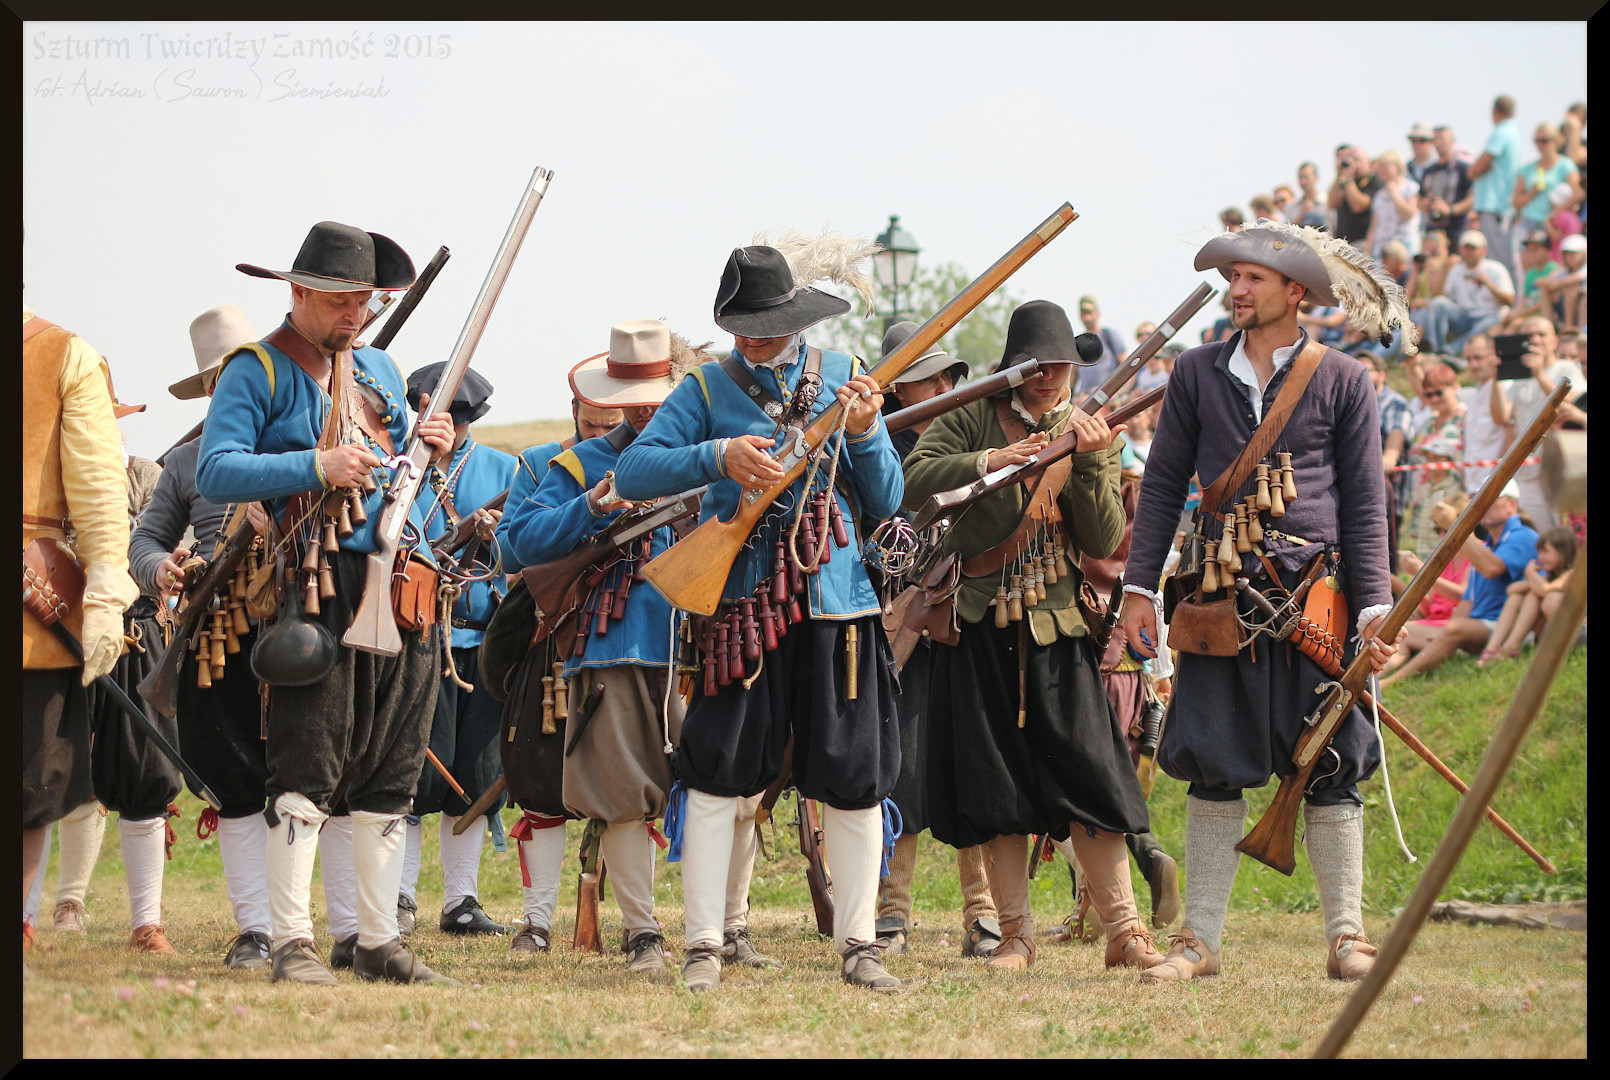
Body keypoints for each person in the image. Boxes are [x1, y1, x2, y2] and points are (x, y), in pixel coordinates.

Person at [1119, 219, 1408, 983]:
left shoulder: (1343, 378)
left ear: (1295, 291)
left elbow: (1366, 502)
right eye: (1234, 276)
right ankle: (1199, 940)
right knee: (1213, 762)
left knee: (1330, 760)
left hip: (1319, 602)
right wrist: (1140, 591)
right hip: (1219, 596)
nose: (1237, 289)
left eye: (1253, 277)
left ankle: (1346, 937)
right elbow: (1162, 488)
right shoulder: (1195, 373)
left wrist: (1374, 607)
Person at [613, 240, 906, 993]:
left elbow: (887, 498)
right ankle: (704, 944)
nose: (750, 341)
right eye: (739, 329)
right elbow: (635, 471)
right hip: (743, 605)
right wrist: (717, 456)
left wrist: (867, 431)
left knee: (853, 775)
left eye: (763, 328)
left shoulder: (845, 376)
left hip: (838, 602)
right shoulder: (707, 388)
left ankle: (860, 942)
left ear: (795, 318)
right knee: (719, 771)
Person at [196, 220, 458, 986]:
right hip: (320, 585)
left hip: (402, 587)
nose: (356, 313)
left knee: (389, 775)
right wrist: (316, 465)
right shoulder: (258, 369)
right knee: (305, 769)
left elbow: (398, 474)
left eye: (365, 300)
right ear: (299, 291)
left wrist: (429, 446)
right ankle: (292, 943)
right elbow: (216, 470)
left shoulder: (378, 369)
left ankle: (376, 940)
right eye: (343, 300)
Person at [903, 299, 1165, 975]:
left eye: (1059, 366)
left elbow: (1103, 539)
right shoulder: (970, 416)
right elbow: (913, 480)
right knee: (994, 789)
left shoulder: (1090, 425)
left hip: (1058, 627)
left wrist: (1093, 459)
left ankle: (1125, 930)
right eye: (1036, 366)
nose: (1049, 378)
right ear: (1014, 368)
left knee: (1094, 781)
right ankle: (1015, 935)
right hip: (979, 622)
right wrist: (993, 459)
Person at [503, 319, 721, 974]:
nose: (645, 411)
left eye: (656, 398)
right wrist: (592, 510)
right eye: (635, 400)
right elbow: (521, 543)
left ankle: (725, 930)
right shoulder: (579, 465)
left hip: (706, 641)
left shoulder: (712, 452)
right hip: (613, 644)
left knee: (723, 789)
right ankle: (643, 933)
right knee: (626, 794)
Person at [872, 322, 1002, 960]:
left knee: (972, 763)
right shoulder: (876, 450)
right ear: (900, 390)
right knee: (903, 769)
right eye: (925, 379)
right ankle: (892, 911)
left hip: (970, 616)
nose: (941, 386)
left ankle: (984, 912)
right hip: (900, 623)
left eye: (944, 376)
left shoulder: (979, 439)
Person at [23, 305, 141, 969]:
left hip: (29, 610)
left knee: (30, 786)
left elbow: (98, 488)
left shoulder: (62, 353)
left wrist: (103, 593)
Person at [395, 363, 517, 939]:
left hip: (482, 639)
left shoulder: (505, 471)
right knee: (414, 776)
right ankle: (399, 897)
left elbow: (523, 549)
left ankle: (461, 901)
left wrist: (495, 536)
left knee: (475, 774)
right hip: (420, 636)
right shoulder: (403, 468)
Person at [1379, 484, 1537, 686]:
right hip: (1476, 625)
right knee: (1399, 631)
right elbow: (1466, 602)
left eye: (1493, 498)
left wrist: (1456, 526)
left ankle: (1389, 683)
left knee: (1454, 627)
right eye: (1480, 499)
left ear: (1512, 504)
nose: (1485, 504)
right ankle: (1373, 682)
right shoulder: (1488, 547)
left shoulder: (1521, 535)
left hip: (1508, 628)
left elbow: (1491, 568)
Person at [1494, 315, 1588, 528]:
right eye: (1530, 335)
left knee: (1565, 531)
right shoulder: (1521, 376)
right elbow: (1503, 416)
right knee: (1540, 533)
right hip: (1528, 470)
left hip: (1560, 467)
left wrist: (1539, 374)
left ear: (1554, 341)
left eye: (1541, 334)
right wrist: (1496, 377)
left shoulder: (1568, 368)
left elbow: (1573, 403)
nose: (1535, 340)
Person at [1398, 363, 1466, 562]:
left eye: (1439, 392)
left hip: (1455, 495)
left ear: (1455, 387)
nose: (1434, 399)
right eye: (1428, 395)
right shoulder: (1429, 422)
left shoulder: (1466, 417)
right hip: (1427, 493)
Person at [1478, 525, 1576, 665]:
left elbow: (1545, 590)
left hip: (1572, 631)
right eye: (1539, 552)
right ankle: (1492, 649)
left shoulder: (1572, 574)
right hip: (1548, 631)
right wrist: (1533, 581)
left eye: (1546, 552)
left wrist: (1530, 573)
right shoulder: (1547, 578)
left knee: (1535, 595)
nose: (1541, 557)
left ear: (1563, 552)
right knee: (1517, 597)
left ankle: (1511, 647)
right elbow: (1511, 590)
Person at [1413, 230, 1514, 355]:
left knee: (1492, 321)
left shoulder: (1496, 269)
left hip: (1488, 316)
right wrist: (1445, 270)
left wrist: (1488, 284)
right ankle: (1436, 347)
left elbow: (1510, 301)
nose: (1469, 252)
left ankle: (1451, 350)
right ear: (1460, 250)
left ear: (1484, 250)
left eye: (1473, 248)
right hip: (1464, 317)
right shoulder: (1456, 270)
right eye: (1466, 248)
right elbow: (1440, 297)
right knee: (1438, 303)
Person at [1469, 95, 1524, 283]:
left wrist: (1476, 169)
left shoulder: (1502, 132)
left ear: (1495, 112)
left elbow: (1477, 168)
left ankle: (1508, 296)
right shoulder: (1512, 133)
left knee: (1497, 258)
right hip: (1502, 205)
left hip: (1495, 205)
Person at [1512, 124, 1580, 262]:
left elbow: (1578, 193)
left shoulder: (1565, 165)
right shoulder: (1527, 168)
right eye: (1536, 141)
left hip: (1552, 226)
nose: (1539, 145)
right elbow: (1515, 202)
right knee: (1525, 266)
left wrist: (1554, 214)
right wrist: (1532, 193)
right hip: (1528, 224)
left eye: (1544, 140)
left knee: (1550, 265)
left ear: (1555, 140)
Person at [1420, 127, 1474, 243]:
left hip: (1456, 232)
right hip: (1432, 234)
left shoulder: (1463, 169)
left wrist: (1450, 209)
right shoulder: (1428, 171)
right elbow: (1420, 198)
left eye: (1442, 139)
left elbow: (1473, 198)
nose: (1438, 143)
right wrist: (1425, 205)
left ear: (1452, 141)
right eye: (1435, 139)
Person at [1501, 231, 1563, 331]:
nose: (1531, 253)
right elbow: (1525, 300)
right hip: (1528, 313)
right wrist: (1514, 312)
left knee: (1514, 326)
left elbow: (1549, 301)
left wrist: (1521, 312)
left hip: (1545, 314)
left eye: (1536, 249)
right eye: (1529, 250)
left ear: (1548, 251)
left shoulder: (1555, 270)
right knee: (1500, 326)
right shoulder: (1530, 273)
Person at [1365, 150, 1422, 259]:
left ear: (1397, 166)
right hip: (1383, 248)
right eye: (1381, 166)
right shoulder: (1379, 195)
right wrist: (1367, 254)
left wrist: (1395, 194)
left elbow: (1409, 214)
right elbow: (1374, 226)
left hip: (1405, 245)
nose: (1382, 170)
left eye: (1386, 166)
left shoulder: (1410, 188)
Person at [1328, 144, 1382, 249]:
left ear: (1368, 161)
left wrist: (1349, 179)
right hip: (1343, 243)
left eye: (1358, 160)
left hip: (1364, 243)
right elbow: (1332, 203)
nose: (1356, 165)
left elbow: (1358, 206)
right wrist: (1340, 175)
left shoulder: (1375, 181)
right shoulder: (1348, 181)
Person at [1534, 233, 1587, 330]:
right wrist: (1557, 282)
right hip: (1569, 307)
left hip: (1582, 307)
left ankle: (1570, 328)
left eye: (1573, 253)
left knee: (1571, 289)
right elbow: (1539, 281)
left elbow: (1577, 278)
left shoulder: (1584, 268)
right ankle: (1548, 327)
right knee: (1544, 291)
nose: (1569, 256)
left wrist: (1557, 283)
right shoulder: (1564, 271)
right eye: (1566, 253)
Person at [1077, 295, 1126, 390]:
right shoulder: (1078, 341)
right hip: (1084, 395)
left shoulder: (1109, 335)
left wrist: (1120, 392)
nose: (1087, 318)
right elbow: (1073, 373)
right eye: (1083, 313)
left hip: (1108, 393)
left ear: (1098, 314)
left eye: (1090, 313)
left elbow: (1127, 365)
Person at [1405, 123, 1438, 187]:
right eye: (1414, 140)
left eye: (1422, 140)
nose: (1417, 144)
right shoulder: (1404, 169)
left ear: (1432, 142)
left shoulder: (1440, 168)